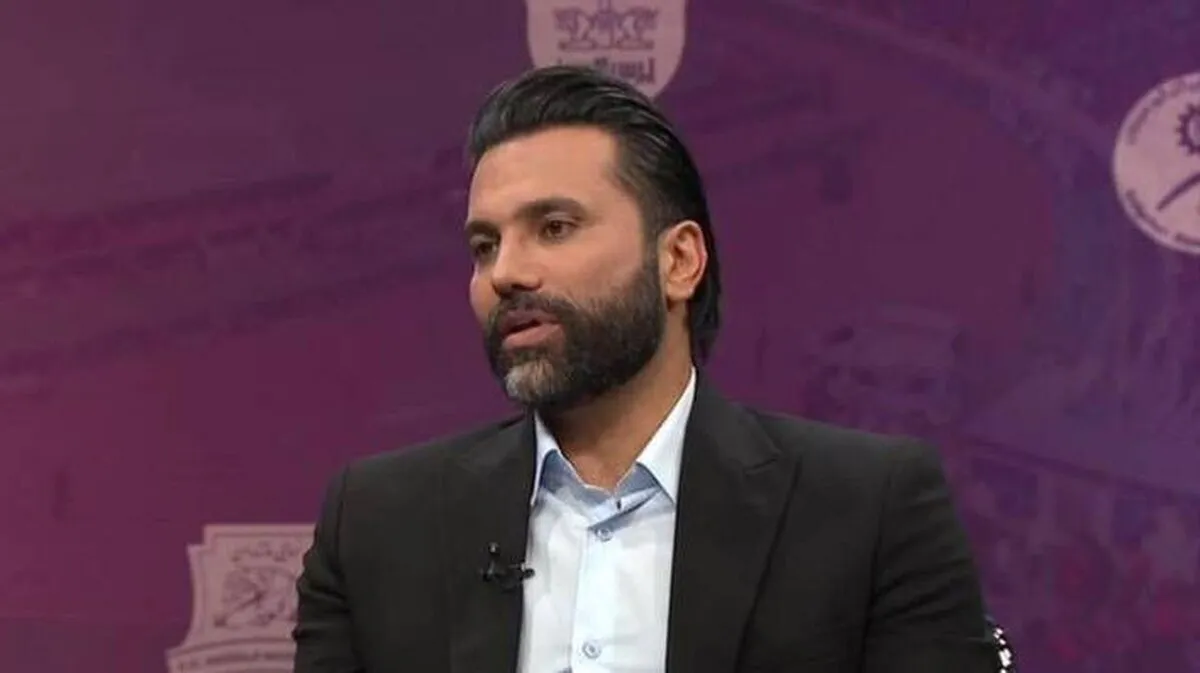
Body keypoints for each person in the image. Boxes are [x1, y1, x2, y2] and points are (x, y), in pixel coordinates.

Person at [293, 64, 995, 673]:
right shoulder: (377, 525)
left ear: (679, 261)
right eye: (484, 245)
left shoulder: (869, 510)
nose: (505, 272)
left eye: (554, 227)